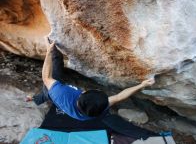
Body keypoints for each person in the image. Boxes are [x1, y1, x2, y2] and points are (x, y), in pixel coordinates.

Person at [26, 37, 155, 121]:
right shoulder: (95, 109)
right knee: (46, 95)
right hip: (62, 98)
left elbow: (46, 77)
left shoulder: (61, 93)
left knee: (55, 65)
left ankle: (36, 98)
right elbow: (120, 96)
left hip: (55, 93)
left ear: (81, 94)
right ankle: (35, 99)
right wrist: (142, 85)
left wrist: (49, 51)